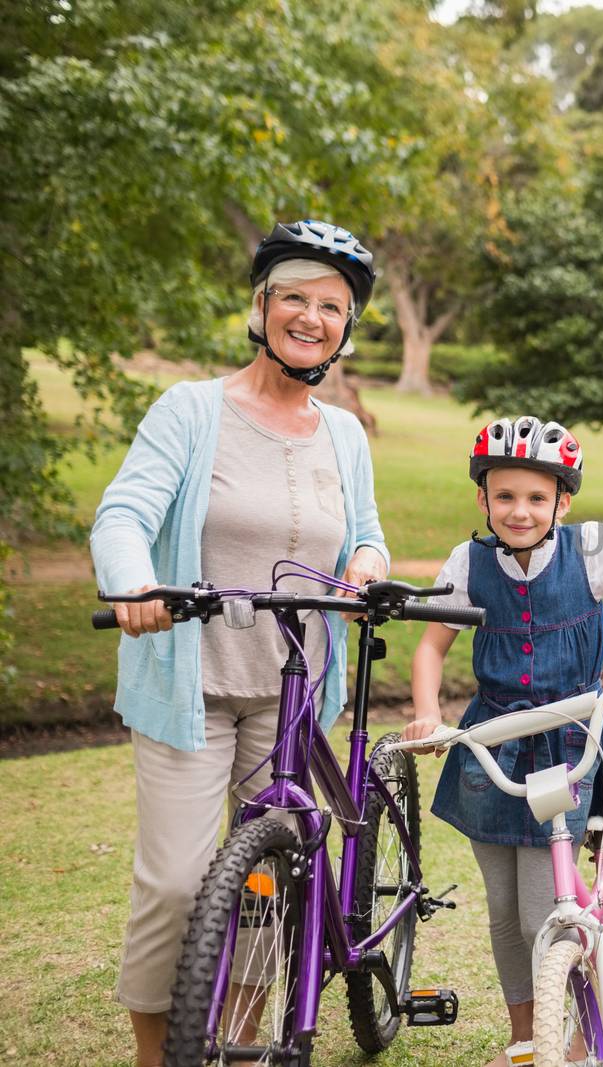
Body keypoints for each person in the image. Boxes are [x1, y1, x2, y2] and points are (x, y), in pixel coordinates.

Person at [90, 219, 390, 1066]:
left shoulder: (344, 434)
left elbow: (366, 535)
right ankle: (165, 1051)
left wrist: (366, 568)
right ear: (260, 307)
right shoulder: (191, 409)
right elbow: (124, 514)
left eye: (332, 306)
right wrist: (133, 585)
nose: (312, 316)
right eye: (294, 296)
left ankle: (244, 1038)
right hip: (194, 685)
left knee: (270, 885)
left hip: (294, 691)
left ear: (345, 327)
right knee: (179, 884)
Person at [401, 414, 603, 1067]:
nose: (519, 509)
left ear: (563, 500)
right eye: (504, 495)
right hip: (493, 737)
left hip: (566, 739)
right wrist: (428, 712)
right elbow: (430, 645)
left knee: (545, 903)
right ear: (482, 497)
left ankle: (567, 1035)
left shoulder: (592, 549)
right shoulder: (468, 563)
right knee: (505, 909)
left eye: (537, 497)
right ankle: (527, 1038)